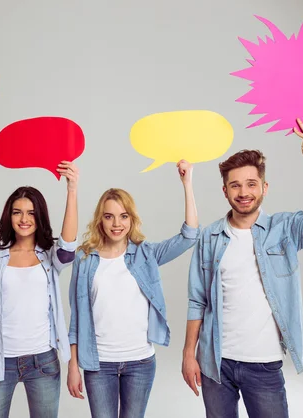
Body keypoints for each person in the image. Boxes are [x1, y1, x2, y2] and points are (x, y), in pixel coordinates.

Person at [182, 113, 303, 418]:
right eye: (235, 186)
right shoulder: (210, 237)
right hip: (214, 362)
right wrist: (188, 355)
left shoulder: (283, 229)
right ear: (225, 191)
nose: (243, 193)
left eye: (250, 184)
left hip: (263, 364)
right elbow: (197, 300)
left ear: (264, 187)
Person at [67, 160, 200, 418]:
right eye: (109, 216)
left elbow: (190, 236)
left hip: (140, 362)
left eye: (123, 216)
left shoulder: (146, 254)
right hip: (99, 364)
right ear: (100, 220)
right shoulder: (84, 260)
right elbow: (76, 319)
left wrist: (187, 183)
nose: (117, 223)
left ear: (131, 219)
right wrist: (74, 365)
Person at [0, 162, 79, 418]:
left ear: (40, 217)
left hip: (42, 361)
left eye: (31, 213)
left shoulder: (50, 258)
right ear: (9, 216)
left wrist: (72, 190)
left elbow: (69, 246)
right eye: (17, 212)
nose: (24, 219)